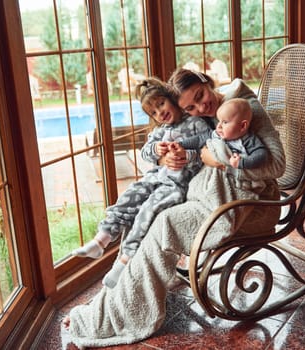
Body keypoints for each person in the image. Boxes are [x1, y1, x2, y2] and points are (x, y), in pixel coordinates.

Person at [63, 70, 286, 348]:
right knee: (146, 216)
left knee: (163, 225)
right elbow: (197, 147)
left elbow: (277, 165)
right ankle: (108, 302)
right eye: (190, 107)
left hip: (248, 208)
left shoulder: (243, 108)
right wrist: (174, 157)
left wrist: (218, 159)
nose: (201, 107)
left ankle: (116, 314)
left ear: (207, 82)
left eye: (200, 96)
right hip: (206, 195)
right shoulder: (203, 118)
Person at [72, 77, 211, 288]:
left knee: (148, 209)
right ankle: (101, 239)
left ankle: (124, 261)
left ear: (172, 99)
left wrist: (187, 155)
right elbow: (146, 151)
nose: (160, 113)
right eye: (153, 112)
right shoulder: (159, 131)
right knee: (129, 194)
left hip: (175, 186)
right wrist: (156, 150)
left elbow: (206, 146)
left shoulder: (195, 123)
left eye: (161, 104)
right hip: (154, 178)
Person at [180, 97, 268, 192]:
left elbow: (262, 155)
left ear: (242, 126)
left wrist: (241, 163)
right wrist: (180, 144)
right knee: (195, 187)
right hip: (210, 176)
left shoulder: (248, 140)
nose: (219, 126)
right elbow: (199, 139)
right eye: (219, 121)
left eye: (225, 122)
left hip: (232, 182)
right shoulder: (216, 134)